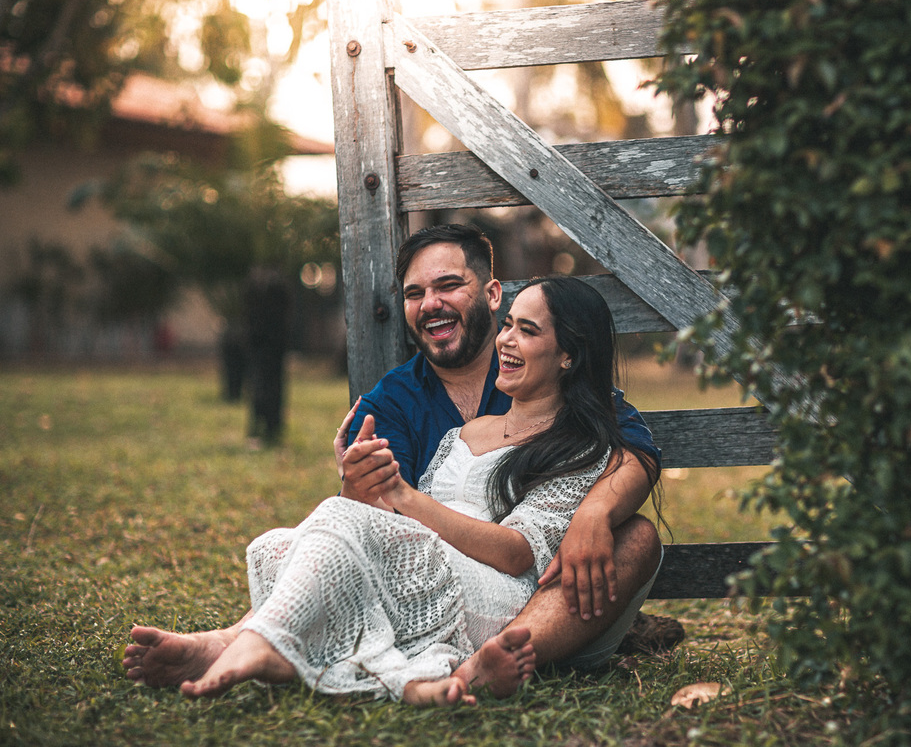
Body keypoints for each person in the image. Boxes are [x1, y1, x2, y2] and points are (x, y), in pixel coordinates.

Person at [124, 225, 672, 696]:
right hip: (427, 566)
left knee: (639, 535)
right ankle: (235, 640)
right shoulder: (393, 403)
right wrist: (362, 489)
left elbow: (630, 446)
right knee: (311, 533)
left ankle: (263, 646)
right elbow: (378, 519)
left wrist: (595, 512)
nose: (430, 303)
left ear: (491, 293)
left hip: (518, 584)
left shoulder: (555, 395)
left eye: (448, 285)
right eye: (415, 293)